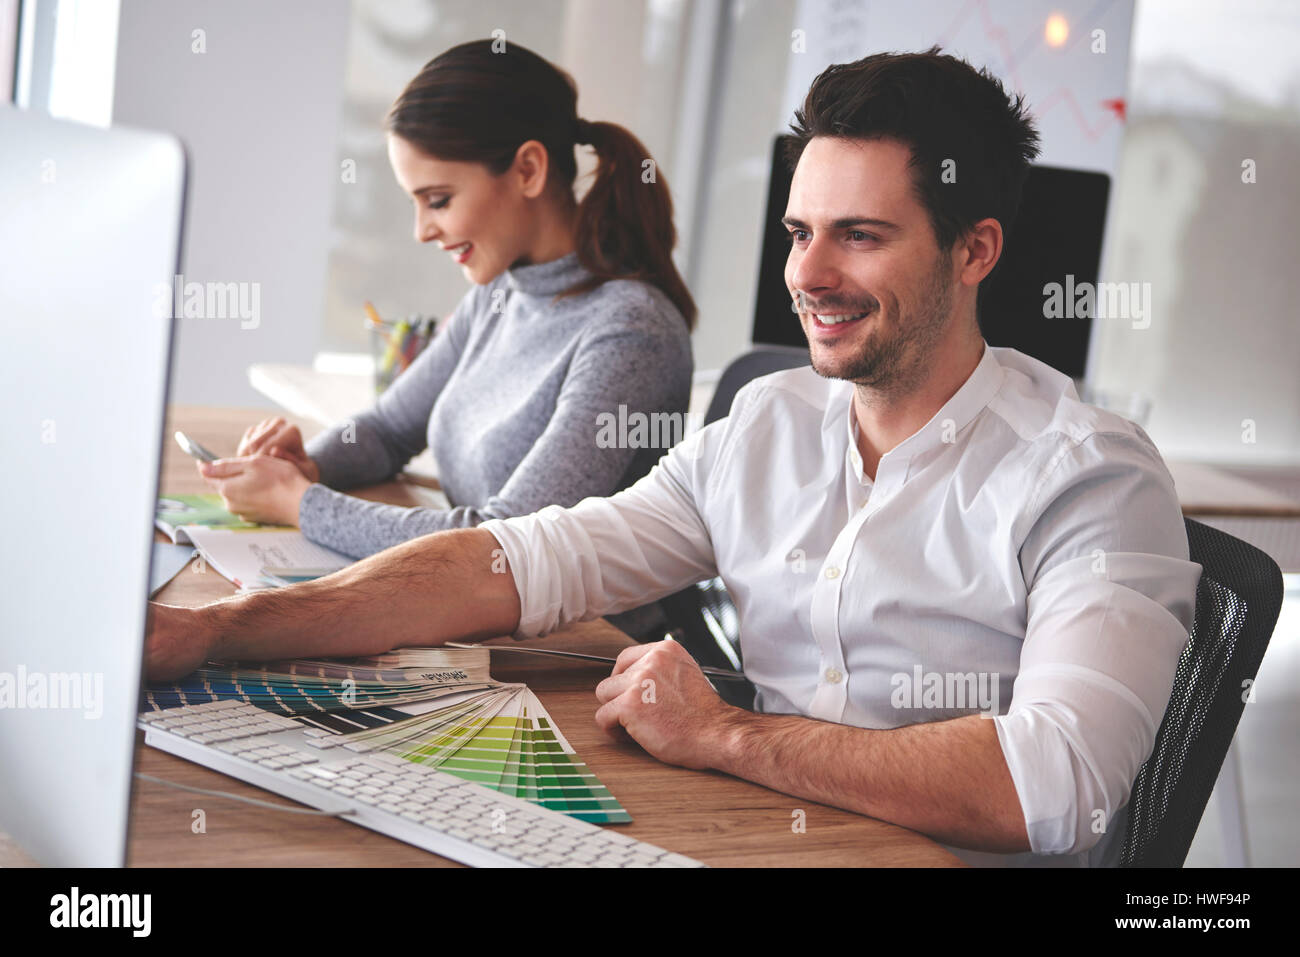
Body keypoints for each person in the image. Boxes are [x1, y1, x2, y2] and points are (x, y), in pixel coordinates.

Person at [147, 48, 1201, 867]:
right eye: (798, 232)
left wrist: (729, 737)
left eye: (860, 236)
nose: (810, 274)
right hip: (766, 834)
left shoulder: (1089, 479)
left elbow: (1051, 782)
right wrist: (218, 632)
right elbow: (513, 559)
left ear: (975, 249)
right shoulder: (767, 426)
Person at [196, 39, 695, 638]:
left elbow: (499, 544)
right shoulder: (500, 294)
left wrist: (300, 503)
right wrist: (309, 464)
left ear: (528, 170)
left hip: (589, 651)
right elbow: (385, 430)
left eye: (438, 200)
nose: (421, 230)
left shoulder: (630, 330)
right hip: (477, 618)